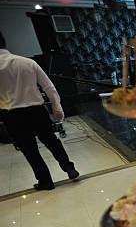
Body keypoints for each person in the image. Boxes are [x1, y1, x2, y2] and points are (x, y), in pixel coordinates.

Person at [0, 31, 79, 190]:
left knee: (29, 149)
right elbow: (49, 87)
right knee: (51, 140)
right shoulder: (27, 62)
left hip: (12, 114)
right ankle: (69, 167)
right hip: (37, 110)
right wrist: (57, 109)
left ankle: (46, 181)